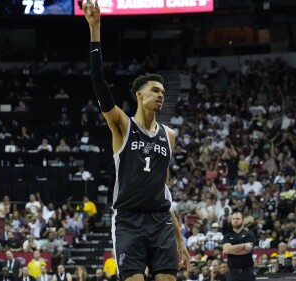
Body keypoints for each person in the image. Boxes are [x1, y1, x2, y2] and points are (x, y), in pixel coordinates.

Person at [82, 2, 189, 281]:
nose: (161, 94)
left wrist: (180, 238)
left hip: (160, 220)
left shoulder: (170, 135)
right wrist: (95, 28)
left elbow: (163, 190)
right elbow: (98, 81)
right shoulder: (121, 125)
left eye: (163, 91)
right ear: (139, 96)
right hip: (129, 220)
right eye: (155, 90)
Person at [221, 212, 255, 281]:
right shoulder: (227, 236)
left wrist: (230, 250)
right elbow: (227, 249)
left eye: (238, 219)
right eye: (233, 219)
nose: (235, 220)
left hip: (247, 273)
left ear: (243, 220)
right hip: (232, 274)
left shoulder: (249, 234)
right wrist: (243, 245)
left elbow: (247, 250)